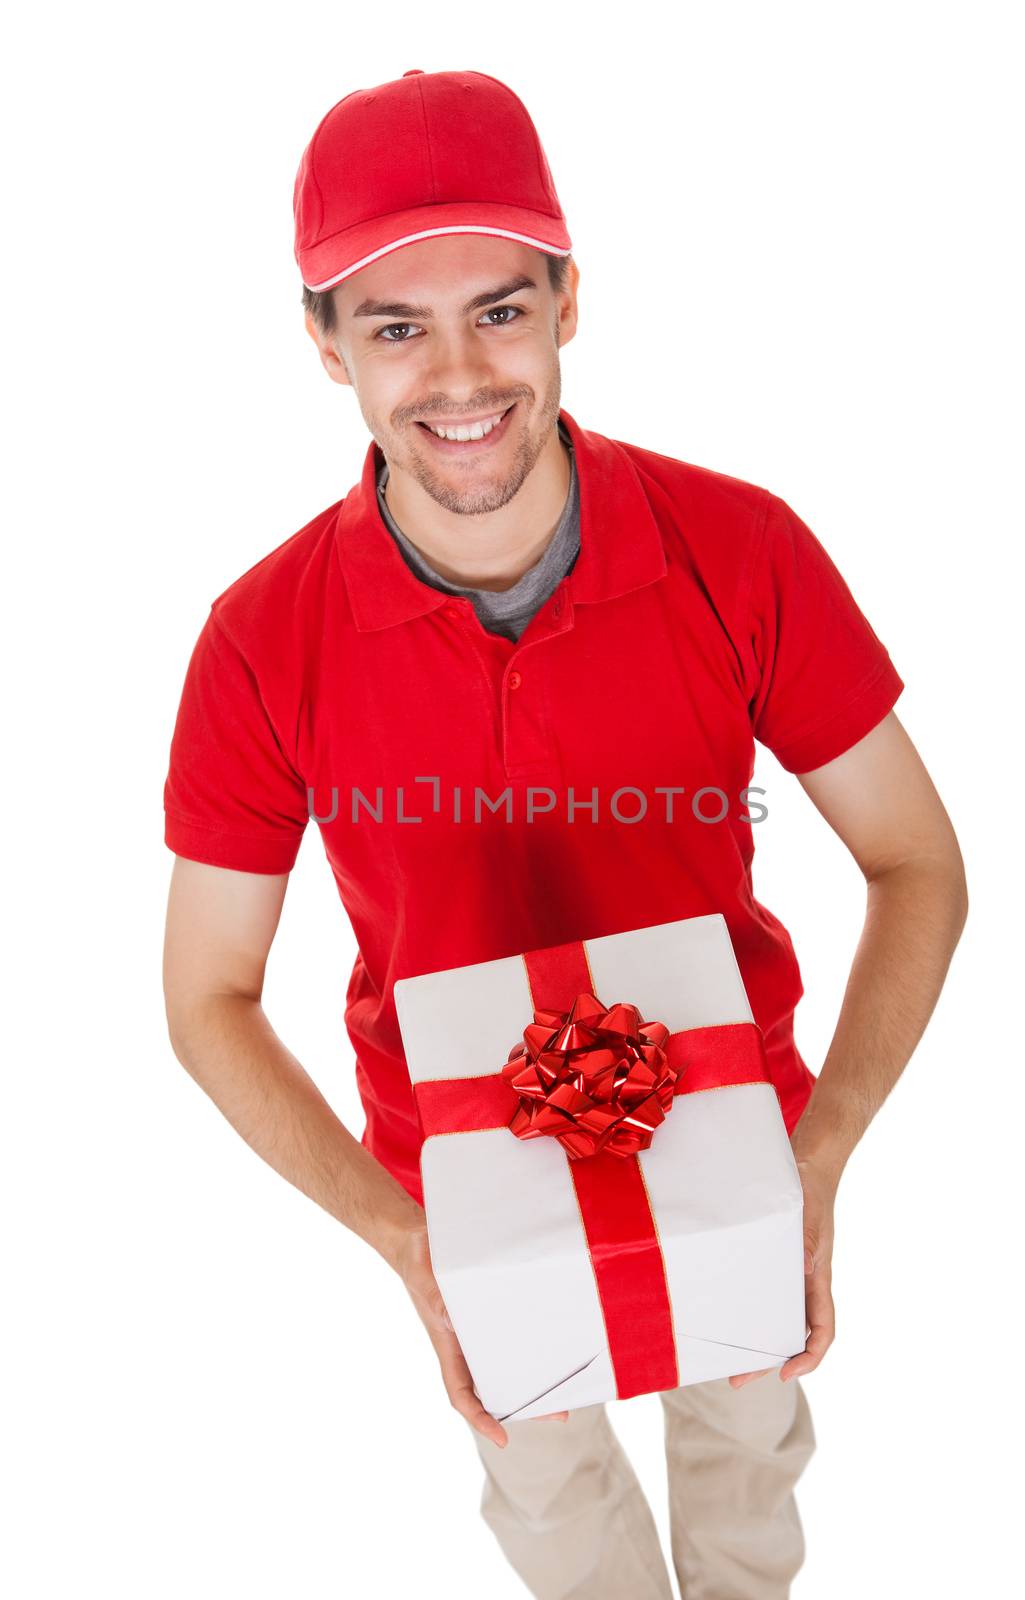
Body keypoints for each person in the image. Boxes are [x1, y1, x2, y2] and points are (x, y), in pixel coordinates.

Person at [162, 69, 968, 1600]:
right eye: (396, 325)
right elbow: (206, 995)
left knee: (746, 1475)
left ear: (569, 303)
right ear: (322, 344)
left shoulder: (741, 548)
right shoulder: (263, 640)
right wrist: (401, 1238)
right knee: (559, 1514)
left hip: (735, 1130)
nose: (459, 374)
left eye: (500, 309)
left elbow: (918, 860)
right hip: (460, 1180)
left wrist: (826, 1149)